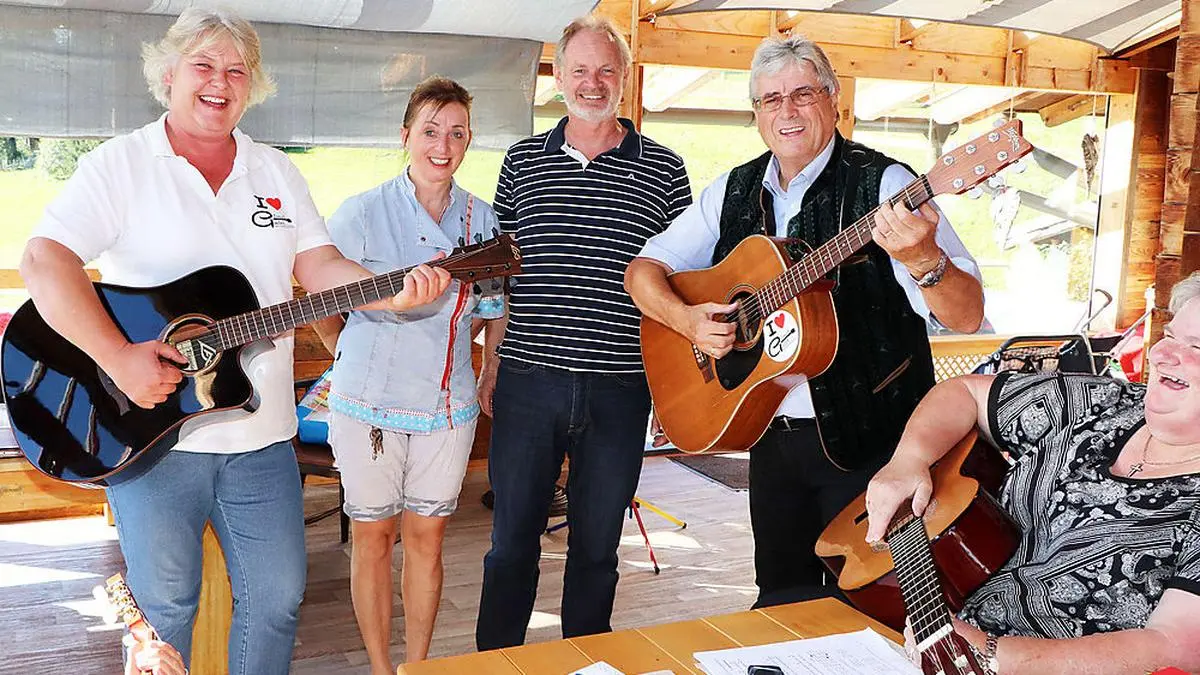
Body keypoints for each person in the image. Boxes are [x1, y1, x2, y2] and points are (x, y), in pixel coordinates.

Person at [18, 9, 449, 674]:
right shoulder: (123, 163)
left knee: (277, 601)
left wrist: (388, 289)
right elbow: (45, 259)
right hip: (153, 438)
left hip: (262, 437)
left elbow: (320, 264)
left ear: (253, 87)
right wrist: (118, 357)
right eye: (204, 65)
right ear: (168, 75)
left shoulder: (275, 172)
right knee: (166, 608)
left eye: (236, 70)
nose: (220, 82)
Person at [624, 35, 985, 607]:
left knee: (878, 603)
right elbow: (643, 271)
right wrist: (689, 322)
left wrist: (925, 260)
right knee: (780, 598)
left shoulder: (886, 186)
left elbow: (967, 318)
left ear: (833, 99)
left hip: (877, 444)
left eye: (802, 94)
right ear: (756, 113)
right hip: (771, 440)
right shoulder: (732, 190)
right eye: (770, 100)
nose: (786, 111)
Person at [474, 15, 692, 649]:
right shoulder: (520, 163)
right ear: (558, 77)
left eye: (605, 71)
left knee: (597, 548)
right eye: (579, 71)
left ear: (622, 78)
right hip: (528, 383)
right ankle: (496, 663)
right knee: (510, 542)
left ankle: (586, 660)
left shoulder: (666, 170)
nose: (592, 83)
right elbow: (502, 278)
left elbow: (677, 287)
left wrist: (670, 391)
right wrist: (491, 364)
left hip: (622, 389)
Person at [864, 271, 1200, 675]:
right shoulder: (1103, 403)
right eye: (1170, 336)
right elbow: (965, 392)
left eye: (1195, 347)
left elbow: (1175, 647)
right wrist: (909, 459)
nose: (1162, 354)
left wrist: (993, 655)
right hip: (936, 633)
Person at [312, 76, 504, 671]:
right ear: (405, 136)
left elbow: (493, 310)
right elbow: (320, 298)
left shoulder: (484, 219)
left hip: (448, 411)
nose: (441, 145)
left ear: (469, 139)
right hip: (364, 407)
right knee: (372, 539)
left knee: (428, 541)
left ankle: (416, 666)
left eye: (456, 132)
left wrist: (489, 367)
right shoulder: (362, 213)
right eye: (429, 131)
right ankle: (378, 666)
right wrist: (347, 352)